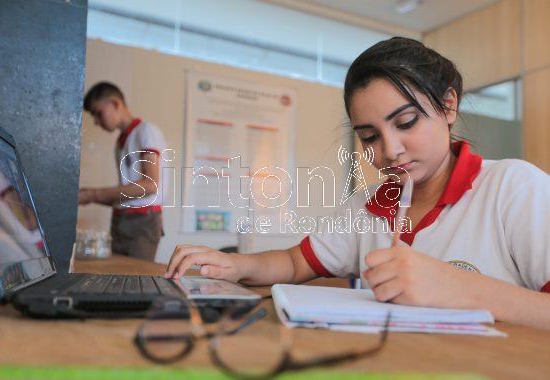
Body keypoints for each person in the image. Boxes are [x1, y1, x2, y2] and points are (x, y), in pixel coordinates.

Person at [164, 37, 550, 329]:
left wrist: (456, 287)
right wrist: (234, 264)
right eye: (369, 137)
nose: (390, 150)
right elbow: (297, 261)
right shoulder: (368, 205)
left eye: (406, 123)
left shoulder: (512, 188)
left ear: (448, 105)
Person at [79, 82, 166, 261]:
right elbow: (126, 193)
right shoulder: (120, 143)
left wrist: (93, 195)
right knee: (116, 277)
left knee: (134, 281)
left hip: (142, 221)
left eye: (98, 113)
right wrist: (88, 196)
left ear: (115, 103)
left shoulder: (146, 131)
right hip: (120, 220)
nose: (96, 121)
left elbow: (149, 185)